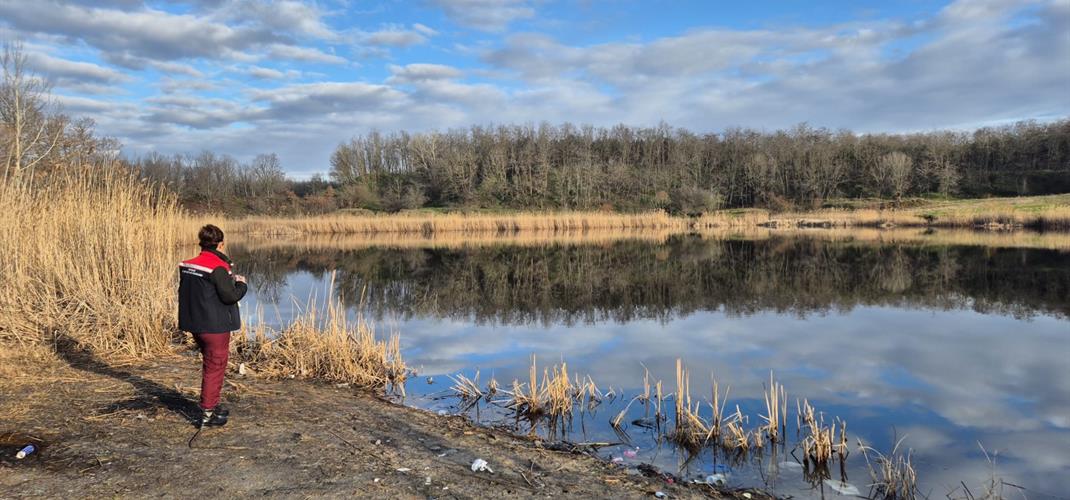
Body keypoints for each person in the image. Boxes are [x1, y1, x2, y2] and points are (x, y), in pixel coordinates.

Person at [178, 224, 247, 428]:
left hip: (195, 324)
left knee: (211, 364)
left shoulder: (188, 265)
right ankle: (208, 413)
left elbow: (200, 291)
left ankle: (212, 405)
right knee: (215, 367)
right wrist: (241, 284)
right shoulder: (217, 267)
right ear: (221, 244)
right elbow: (229, 297)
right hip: (214, 326)